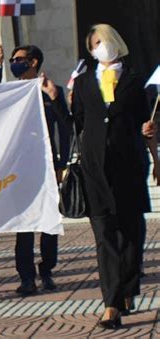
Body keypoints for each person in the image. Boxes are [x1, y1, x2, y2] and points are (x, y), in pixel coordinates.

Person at [42, 24, 156, 329]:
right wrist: (54, 98)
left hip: (129, 168)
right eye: (94, 43)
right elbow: (73, 123)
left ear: (115, 42)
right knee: (105, 238)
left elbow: (146, 123)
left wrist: (152, 144)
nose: (100, 46)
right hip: (95, 171)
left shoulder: (134, 81)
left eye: (103, 41)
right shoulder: (82, 83)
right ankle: (111, 304)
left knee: (130, 235)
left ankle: (129, 286)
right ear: (90, 49)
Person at [0, 45, 70, 295]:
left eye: (19, 60)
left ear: (33, 62)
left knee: (49, 223)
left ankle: (46, 270)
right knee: (23, 224)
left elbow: (65, 127)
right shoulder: (11, 91)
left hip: (46, 164)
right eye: (13, 60)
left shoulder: (48, 89)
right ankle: (26, 277)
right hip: (19, 166)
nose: (15, 63)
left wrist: (62, 163)